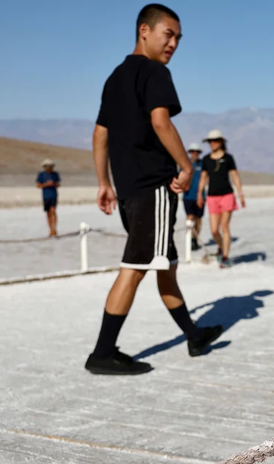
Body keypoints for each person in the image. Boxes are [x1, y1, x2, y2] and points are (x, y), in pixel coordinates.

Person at [85, 4, 222, 376]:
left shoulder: (115, 77)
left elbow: (100, 134)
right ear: (144, 30)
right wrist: (187, 165)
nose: (174, 44)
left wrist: (104, 183)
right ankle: (102, 352)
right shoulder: (155, 72)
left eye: (178, 38)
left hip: (130, 189)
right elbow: (161, 122)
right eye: (168, 34)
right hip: (153, 188)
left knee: (166, 266)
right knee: (136, 266)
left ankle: (193, 335)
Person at [197, 129, 246, 268]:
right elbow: (203, 177)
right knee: (214, 230)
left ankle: (225, 257)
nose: (212, 143)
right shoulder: (206, 159)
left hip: (227, 195)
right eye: (210, 141)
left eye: (215, 141)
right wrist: (200, 193)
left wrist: (240, 193)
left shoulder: (228, 158)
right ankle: (221, 247)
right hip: (212, 196)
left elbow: (235, 176)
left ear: (221, 142)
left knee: (224, 226)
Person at [182, 142, 205, 251]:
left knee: (198, 219)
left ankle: (195, 238)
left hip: (200, 196)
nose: (194, 154)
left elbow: (206, 177)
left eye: (196, 152)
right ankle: (189, 239)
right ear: (190, 153)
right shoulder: (185, 164)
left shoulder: (203, 165)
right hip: (188, 196)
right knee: (190, 218)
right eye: (192, 152)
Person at [36, 159, 61, 237]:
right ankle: (50, 229)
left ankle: (54, 229)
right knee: (48, 213)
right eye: (47, 166)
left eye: (50, 166)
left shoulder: (55, 174)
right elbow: (38, 185)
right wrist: (46, 185)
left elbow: (58, 184)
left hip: (53, 195)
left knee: (53, 210)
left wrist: (53, 184)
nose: (49, 168)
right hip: (46, 195)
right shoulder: (41, 174)